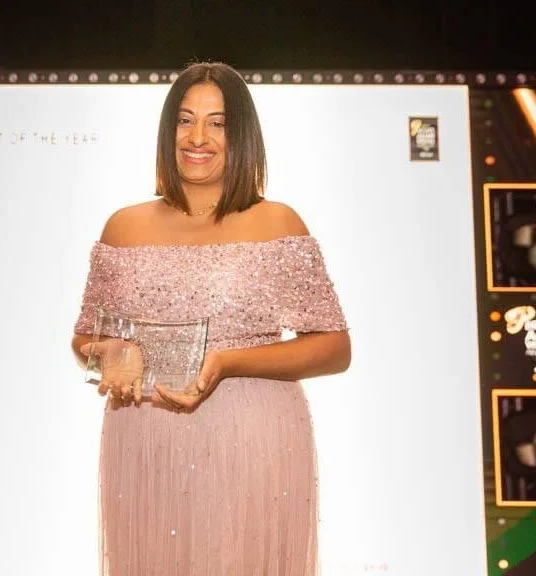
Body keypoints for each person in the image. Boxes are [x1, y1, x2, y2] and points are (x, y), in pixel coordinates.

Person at [71, 61, 351, 576]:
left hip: (253, 434)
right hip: (145, 434)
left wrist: (227, 362)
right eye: (185, 120)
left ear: (241, 134)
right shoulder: (123, 227)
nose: (197, 137)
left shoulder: (277, 222)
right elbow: (86, 338)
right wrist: (112, 352)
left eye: (217, 123)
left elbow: (334, 348)